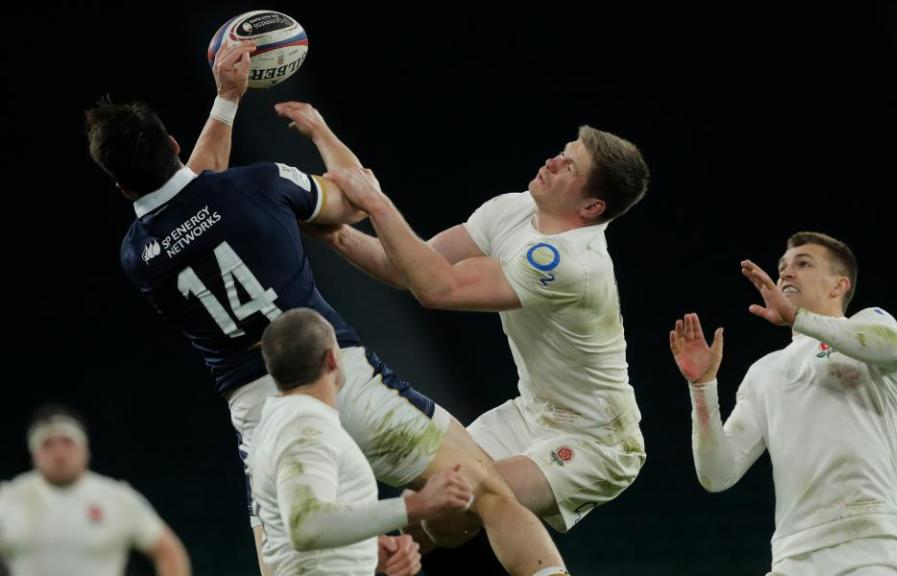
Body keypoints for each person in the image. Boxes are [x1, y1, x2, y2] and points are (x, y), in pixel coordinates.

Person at [84, 44, 568, 576]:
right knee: (491, 495)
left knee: (288, 566)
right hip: (339, 375)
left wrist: (226, 102)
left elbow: (191, 199)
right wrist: (315, 135)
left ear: (119, 184)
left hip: (261, 415)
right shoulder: (259, 183)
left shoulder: (138, 255)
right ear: (173, 143)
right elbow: (352, 202)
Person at [317, 126, 650, 537]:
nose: (553, 161)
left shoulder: (571, 263)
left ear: (591, 206)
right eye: (563, 151)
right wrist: (327, 227)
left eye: (570, 166)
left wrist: (376, 203)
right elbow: (408, 267)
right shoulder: (514, 209)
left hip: (596, 440)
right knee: (428, 509)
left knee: (466, 500)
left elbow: (438, 288)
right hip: (529, 413)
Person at [668, 231, 897, 575]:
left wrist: (800, 319)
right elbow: (717, 474)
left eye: (803, 264)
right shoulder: (764, 372)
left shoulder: (871, 324)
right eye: (783, 266)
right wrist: (703, 387)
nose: (786, 273)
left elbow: (895, 347)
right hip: (793, 557)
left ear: (838, 285)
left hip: (870, 549)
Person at [251, 308, 475, 576]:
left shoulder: (282, 422)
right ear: (333, 358)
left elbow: (303, 526)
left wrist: (367, 550)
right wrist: (417, 505)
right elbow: (306, 526)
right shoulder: (304, 427)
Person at [0, 405, 191, 576]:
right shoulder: (7, 499)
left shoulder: (119, 498)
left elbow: (169, 553)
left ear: (85, 449)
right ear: (33, 454)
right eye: (47, 444)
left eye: (67, 441)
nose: (59, 453)